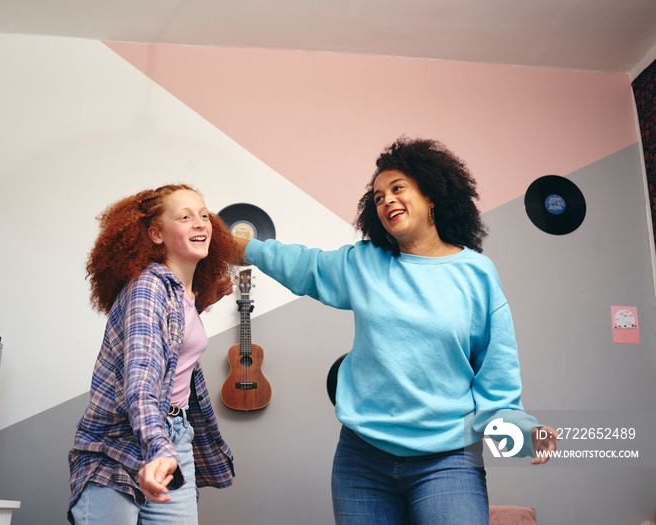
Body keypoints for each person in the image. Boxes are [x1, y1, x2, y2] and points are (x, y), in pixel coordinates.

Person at [235, 138, 558, 524]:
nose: (386, 200)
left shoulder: (477, 273)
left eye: (397, 188)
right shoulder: (366, 263)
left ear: (431, 196)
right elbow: (306, 266)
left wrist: (522, 432)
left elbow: (497, 375)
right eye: (377, 197)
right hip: (362, 459)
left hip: (447, 459)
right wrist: (245, 247)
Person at [68, 184, 240, 524]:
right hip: (122, 444)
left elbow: (171, 347)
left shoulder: (181, 295)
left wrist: (201, 303)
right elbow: (142, 376)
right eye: (185, 216)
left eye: (204, 215)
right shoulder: (149, 287)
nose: (200, 223)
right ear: (155, 234)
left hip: (175, 434)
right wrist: (158, 447)